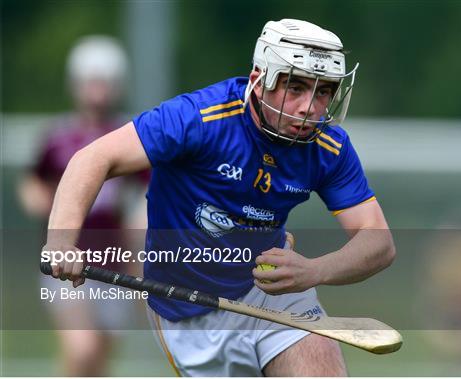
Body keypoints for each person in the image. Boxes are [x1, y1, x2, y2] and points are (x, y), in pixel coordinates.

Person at [43, 19, 396, 376]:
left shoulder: (328, 146)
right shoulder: (197, 119)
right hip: (186, 309)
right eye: (296, 87)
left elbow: (377, 242)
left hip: (270, 293)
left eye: (323, 92)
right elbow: (92, 158)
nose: (310, 107)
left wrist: (315, 270)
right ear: (261, 80)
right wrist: (61, 241)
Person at [20, 36, 146, 376]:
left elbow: (149, 189)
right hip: (66, 261)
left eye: (105, 81)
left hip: (111, 260)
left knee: (96, 359)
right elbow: (33, 179)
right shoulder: (58, 136)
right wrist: (41, 202)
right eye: (91, 81)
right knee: (83, 346)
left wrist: (140, 221)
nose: (98, 90)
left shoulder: (125, 136)